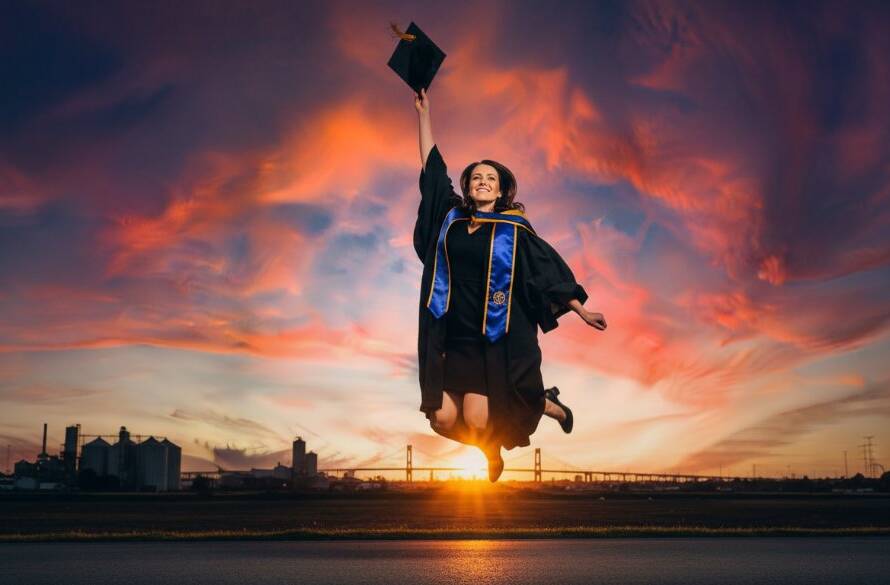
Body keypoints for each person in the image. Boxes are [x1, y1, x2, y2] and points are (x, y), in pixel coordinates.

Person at [412, 88, 607, 482]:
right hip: (450, 336)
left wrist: (581, 309)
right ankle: (489, 449)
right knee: (442, 418)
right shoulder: (449, 216)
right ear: (468, 187)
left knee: (481, 419)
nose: (483, 182)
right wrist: (424, 114)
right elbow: (432, 170)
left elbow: (545, 270)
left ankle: (546, 404)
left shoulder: (515, 231)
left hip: (493, 340)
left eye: (491, 178)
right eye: (477, 177)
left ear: (501, 191)